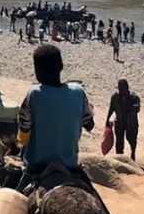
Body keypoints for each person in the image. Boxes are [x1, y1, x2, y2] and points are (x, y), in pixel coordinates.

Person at [16, 45, 94, 175]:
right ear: (61, 66)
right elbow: (89, 125)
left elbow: (24, 132)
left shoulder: (34, 93)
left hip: (37, 165)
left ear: (36, 70)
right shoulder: (78, 91)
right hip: (69, 164)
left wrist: (20, 141)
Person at [105, 79, 140, 160]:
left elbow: (137, 108)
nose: (121, 91)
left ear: (127, 87)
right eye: (120, 88)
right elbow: (112, 108)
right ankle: (120, 157)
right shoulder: (115, 97)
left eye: (123, 88)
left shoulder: (134, 97)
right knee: (119, 141)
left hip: (131, 122)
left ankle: (133, 153)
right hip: (119, 121)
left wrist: (129, 106)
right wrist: (107, 119)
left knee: (132, 139)